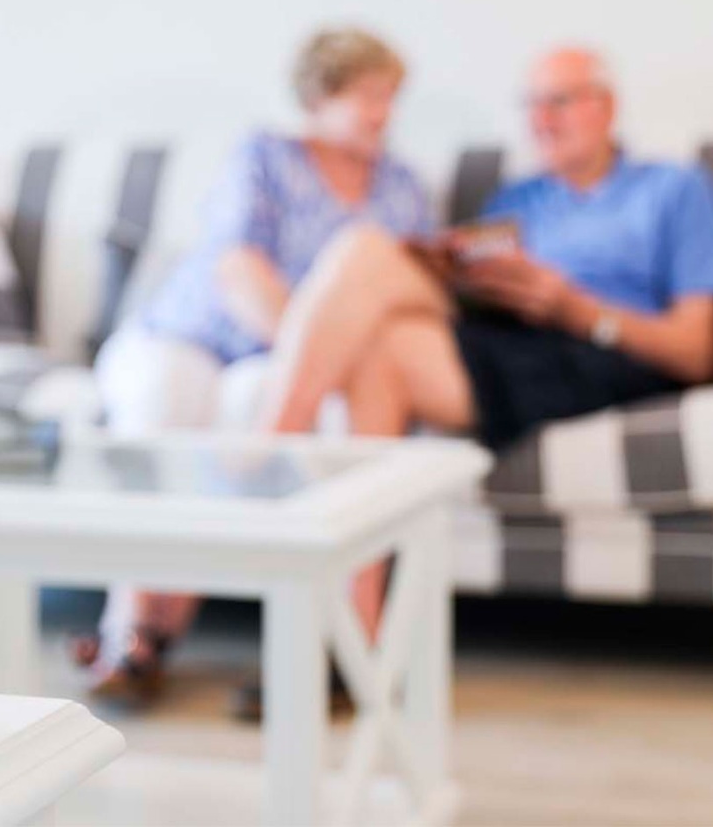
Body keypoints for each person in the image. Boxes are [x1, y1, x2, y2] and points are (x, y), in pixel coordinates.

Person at [258, 47, 713, 640]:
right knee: (375, 303)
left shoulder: (674, 190)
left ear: (606, 107)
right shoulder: (517, 201)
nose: (541, 119)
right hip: (505, 339)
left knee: (368, 265)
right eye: (530, 105)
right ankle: (353, 633)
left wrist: (572, 305)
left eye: (559, 101)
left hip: (602, 350)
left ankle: (263, 461)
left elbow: (695, 351)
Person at [78, 27, 434, 702]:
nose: (384, 112)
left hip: (279, 362)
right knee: (160, 409)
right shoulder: (263, 156)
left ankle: (287, 642)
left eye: (391, 97)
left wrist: (308, 359)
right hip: (193, 333)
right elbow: (239, 267)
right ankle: (129, 628)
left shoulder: (403, 187)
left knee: (257, 412)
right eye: (369, 96)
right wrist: (309, 342)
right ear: (320, 97)